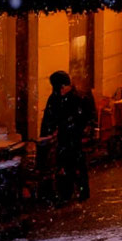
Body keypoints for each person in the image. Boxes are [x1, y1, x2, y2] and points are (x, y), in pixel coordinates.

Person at [40, 70, 93, 202]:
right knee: (66, 163)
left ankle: (78, 190)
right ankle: (69, 192)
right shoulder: (59, 97)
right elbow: (49, 117)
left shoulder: (76, 98)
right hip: (66, 136)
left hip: (74, 136)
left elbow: (85, 117)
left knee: (74, 162)